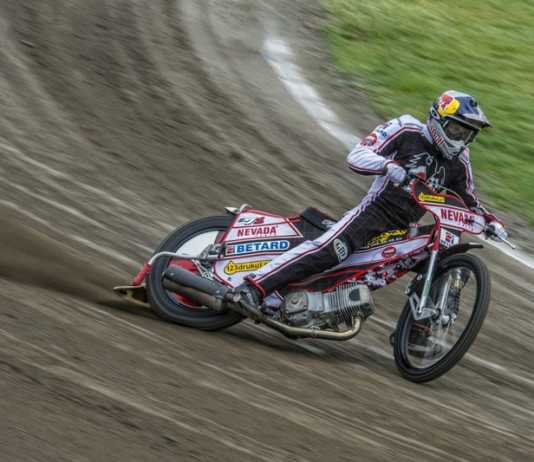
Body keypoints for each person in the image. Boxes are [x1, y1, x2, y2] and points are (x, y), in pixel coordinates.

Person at [235, 90, 508, 310]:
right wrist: (387, 166)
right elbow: (357, 155)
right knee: (329, 251)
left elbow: (468, 200)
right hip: (374, 212)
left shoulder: (460, 160)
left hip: (404, 229)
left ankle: (421, 330)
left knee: (446, 255)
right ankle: (252, 288)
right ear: (438, 119)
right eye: (457, 130)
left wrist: (490, 221)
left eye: (467, 134)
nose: (461, 139)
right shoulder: (406, 129)